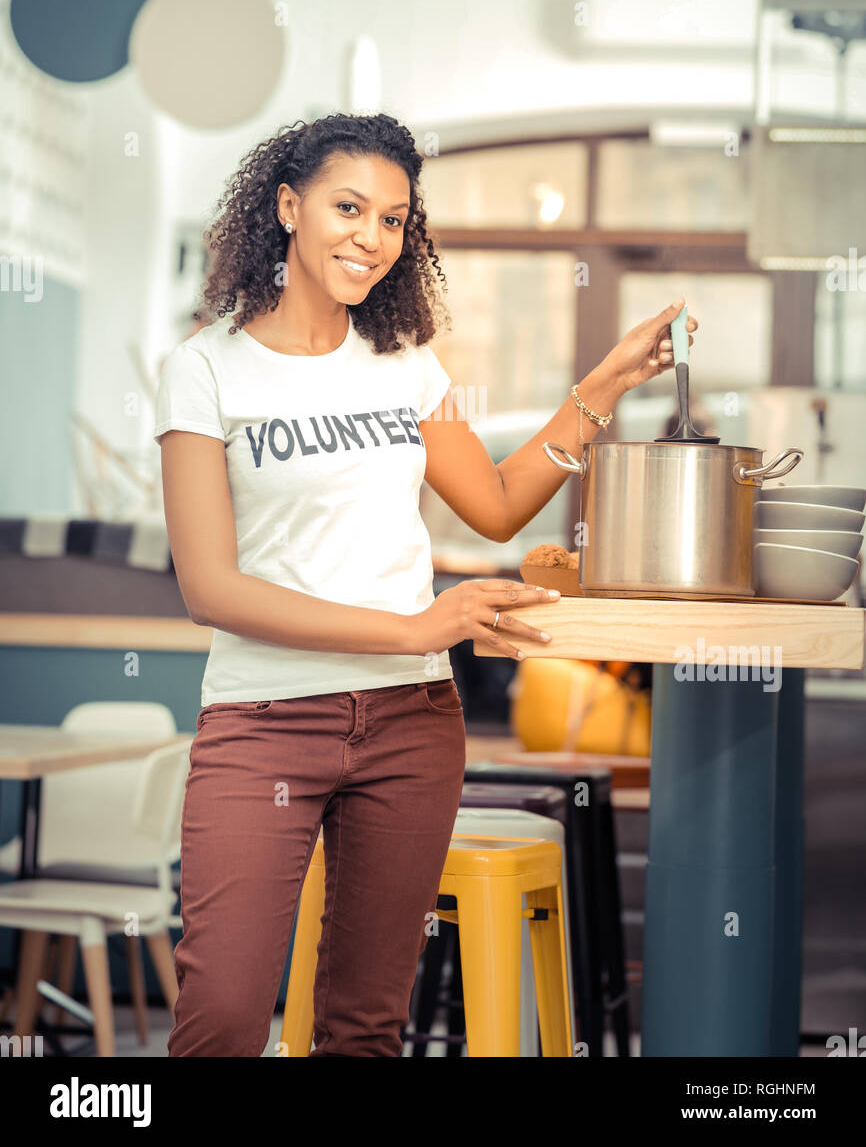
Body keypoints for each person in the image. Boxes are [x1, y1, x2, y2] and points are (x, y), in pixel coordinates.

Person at [154, 111, 698, 1057]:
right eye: (349, 208)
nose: (372, 237)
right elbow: (211, 589)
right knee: (224, 1019)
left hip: (411, 727)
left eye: (395, 220)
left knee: (366, 1027)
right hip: (265, 723)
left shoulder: (406, 366)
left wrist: (604, 387)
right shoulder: (205, 369)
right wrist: (415, 629)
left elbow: (494, 504)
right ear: (287, 208)